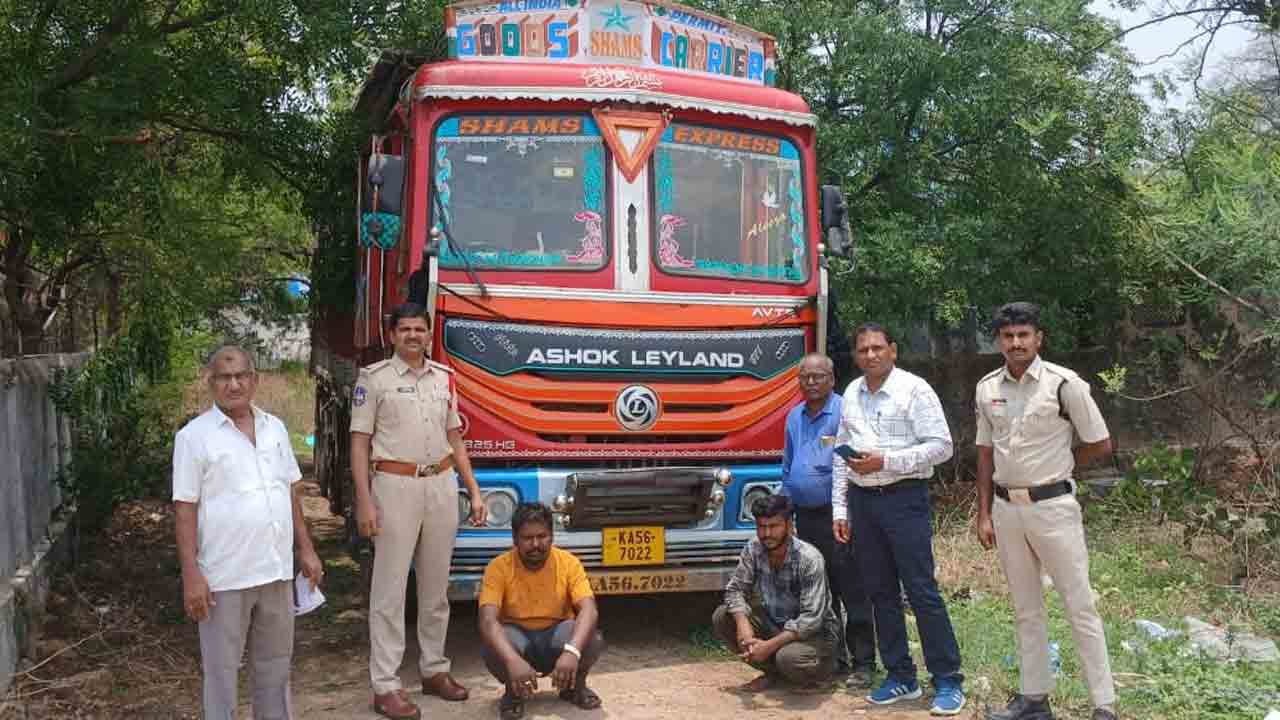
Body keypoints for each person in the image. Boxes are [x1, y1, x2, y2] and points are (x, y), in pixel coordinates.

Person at [974, 302, 1118, 720]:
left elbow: (1100, 443)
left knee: (1079, 605)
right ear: (999, 341)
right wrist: (983, 513)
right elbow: (985, 452)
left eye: (1024, 335)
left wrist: (1062, 465)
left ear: (1039, 339)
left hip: (1054, 508)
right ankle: (1034, 698)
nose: (1016, 343)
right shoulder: (987, 388)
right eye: (1008, 336)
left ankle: (1103, 704)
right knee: (1026, 608)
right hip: (1007, 509)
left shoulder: (1064, 384)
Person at [350, 303, 488, 719]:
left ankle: (434, 669)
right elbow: (359, 443)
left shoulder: (444, 378)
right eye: (405, 329)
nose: (413, 335)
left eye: (419, 329)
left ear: (429, 335)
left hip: (440, 484)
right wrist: (364, 500)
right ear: (392, 335)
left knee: (435, 588)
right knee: (390, 591)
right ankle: (386, 685)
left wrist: (474, 491)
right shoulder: (374, 379)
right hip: (394, 487)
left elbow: (455, 438)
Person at [173, 345, 323, 719]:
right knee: (221, 675)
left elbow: (288, 492)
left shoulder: (275, 428)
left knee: (275, 668)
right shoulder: (193, 437)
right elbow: (185, 509)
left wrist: (305, 549)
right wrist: (191, 575)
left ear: (254, 380)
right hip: (224, 577)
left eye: (241, 376)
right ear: (211, 382)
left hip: (275, 570)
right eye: (224, 378)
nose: (234, 384)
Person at [832, 322, 966, 715]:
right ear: (856, 356)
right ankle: (900, 676)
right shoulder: (852, 393)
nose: (870, 355)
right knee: (880, 593)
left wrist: (886, 461)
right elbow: (841, 451)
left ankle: (947, 680)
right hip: (863, 502)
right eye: (863, 350)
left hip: (904, 499)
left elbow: (941, 447)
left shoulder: (914, 389)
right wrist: (841, 508)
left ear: (892, 350)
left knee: (921, 591)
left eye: (877, 348)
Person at [780, 352, 877, 687]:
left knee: (851, 588)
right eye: (805, 377)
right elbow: (788, 467)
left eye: (818, 376)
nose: (811, 382)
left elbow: (853, 461)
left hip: (839, 516)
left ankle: (864, 663)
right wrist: (786, 513)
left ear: (832, 379)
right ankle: (834, 659)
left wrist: (847, 511)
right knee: (819, 591)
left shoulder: (845, 412)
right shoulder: (794, 417)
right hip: (805, 519)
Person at [478, 503, 606, 720]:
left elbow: (589, 609)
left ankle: (574, 686)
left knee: (592, 638)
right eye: (527, 538)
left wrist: (572, 652)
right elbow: (487, 620)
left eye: (542, 536)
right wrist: (512, 660)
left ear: (552, 536)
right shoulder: (498, 567)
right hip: (517, 638)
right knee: (494, 644)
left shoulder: (569, 563)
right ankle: (514, 693)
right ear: (515, 539)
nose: (536, 544)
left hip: (557, 634)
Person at [712, 494, 839, 693]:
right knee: (723, 616)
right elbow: (735, 589)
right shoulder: (753, 548)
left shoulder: (809, 558)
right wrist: (743, 625)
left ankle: (821, 676)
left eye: (774, 526)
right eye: (761, 526)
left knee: (788, 658)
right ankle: (774, 675)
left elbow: (811, 620)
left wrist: (769, 646)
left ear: (789, 525)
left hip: (815, 635)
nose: (767, 533)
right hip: (775, 624)